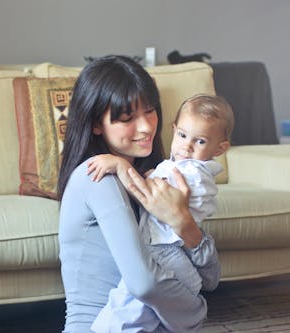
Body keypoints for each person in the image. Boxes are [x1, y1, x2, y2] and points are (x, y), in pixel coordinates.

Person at [58, 55, 221, 333]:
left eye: (149, 110)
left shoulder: (158, 179)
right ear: (97, 124)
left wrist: (183, 221)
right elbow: (144, 283)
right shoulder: (96, 176)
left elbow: (211, 278)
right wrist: (196, 312)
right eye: (127, 118)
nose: (146, 126)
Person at [87, 94, 234, 332]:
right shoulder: (179, 167)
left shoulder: (191, 172)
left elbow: (148, 196)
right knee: (146, 310)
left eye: (200, 142)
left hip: (165, 248)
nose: (186, 146)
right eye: (183, 135)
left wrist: (120, 165)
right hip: (174, 250)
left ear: (220, 148)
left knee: (129, 300)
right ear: (174, 130)